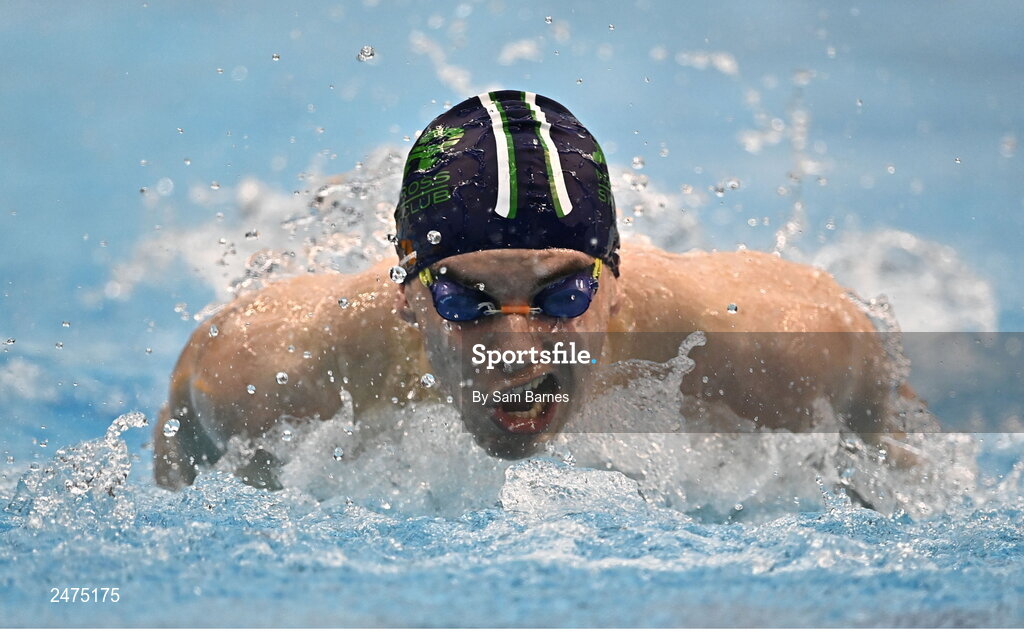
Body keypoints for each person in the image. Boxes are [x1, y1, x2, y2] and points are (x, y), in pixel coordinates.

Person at [154, 90, 916, 490]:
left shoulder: (782, 349)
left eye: (560, 298)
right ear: (406, 293)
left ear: (613, 284)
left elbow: (907, 500)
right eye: (464, 300)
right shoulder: (260, 377)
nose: (514, 353)